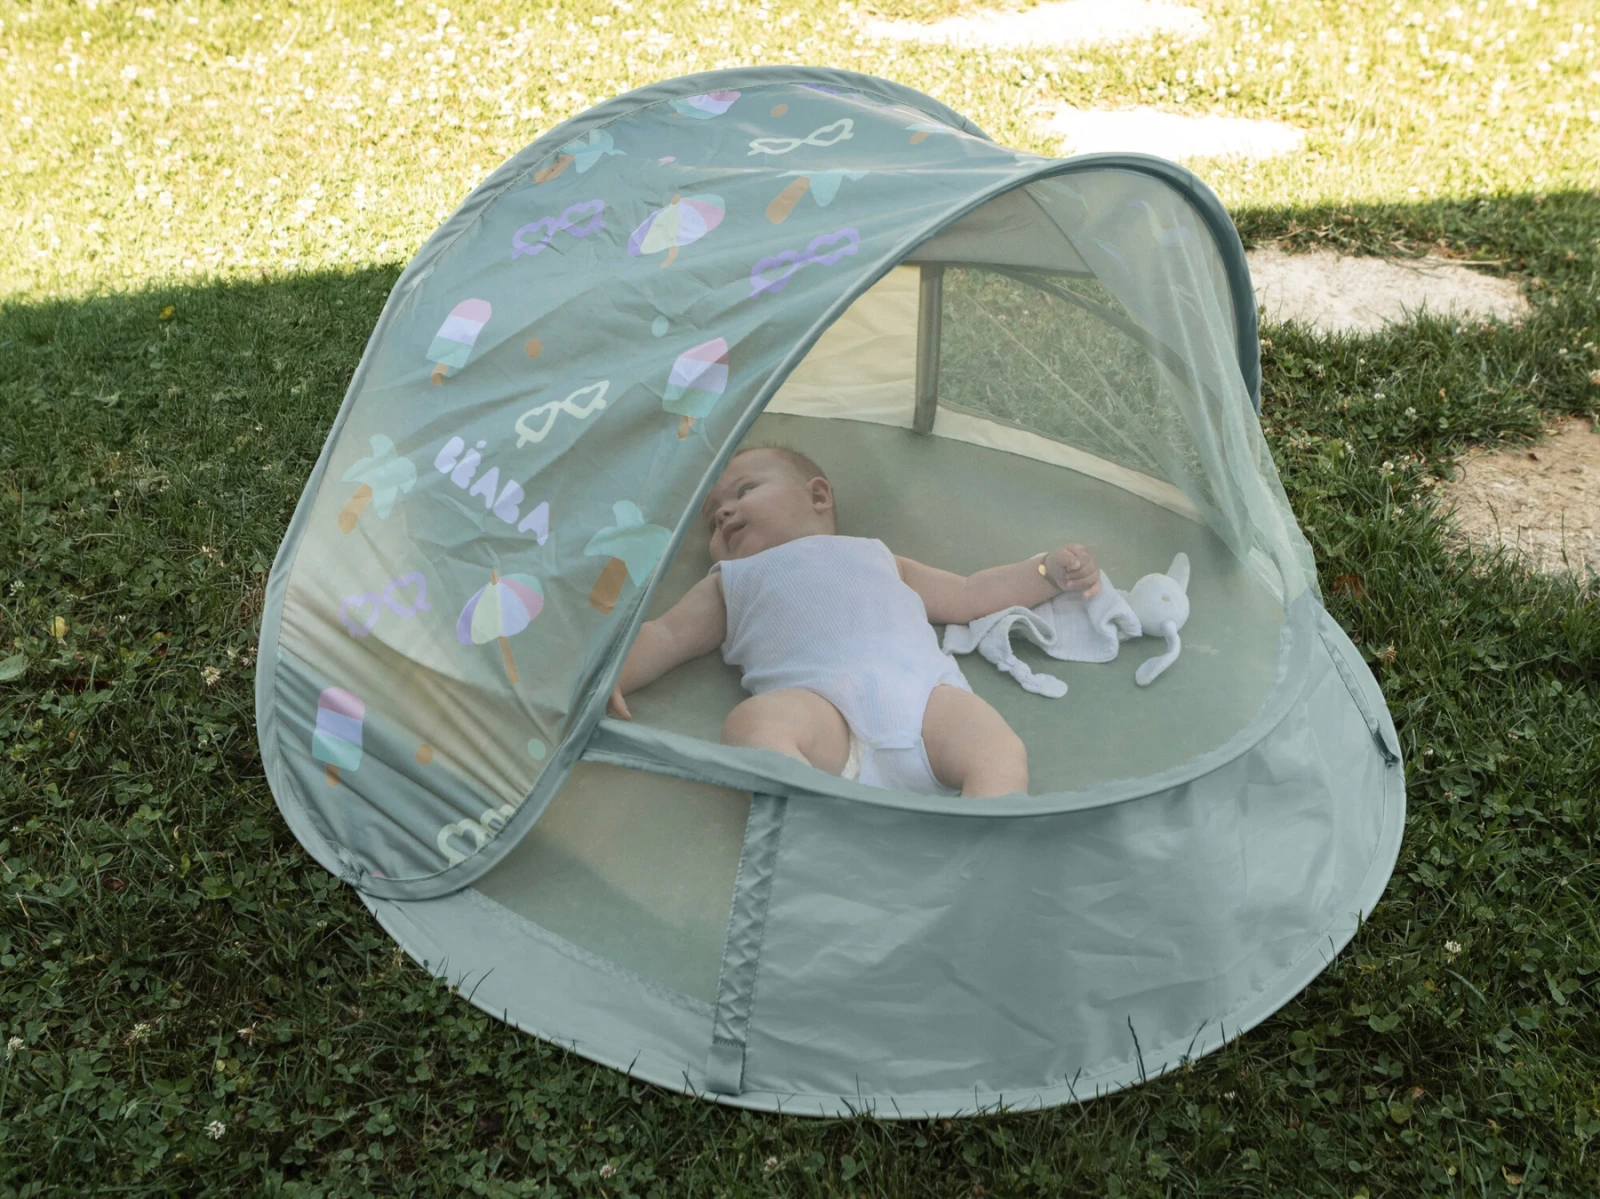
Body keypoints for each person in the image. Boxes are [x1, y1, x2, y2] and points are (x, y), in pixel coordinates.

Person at [607, 446, 1100, 797]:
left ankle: (987, 840)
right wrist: (610, 676)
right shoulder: (731, 581)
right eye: (713, 517)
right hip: (825, 720)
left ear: (819, 496)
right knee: (752, 724)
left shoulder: (876, 556)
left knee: (996, 747)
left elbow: (969, 594)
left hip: (926, 707)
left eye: (745, 490)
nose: (724, 514)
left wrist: (1045, 573)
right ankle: (816, 820)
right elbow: (666, 634)